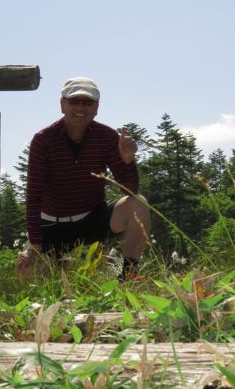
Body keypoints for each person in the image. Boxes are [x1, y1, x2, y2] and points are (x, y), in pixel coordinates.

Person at [17, 76, 150, 282]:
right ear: (62, 104)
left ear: (97, 107)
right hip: (52, 225)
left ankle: (129, 276)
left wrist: (127, 160)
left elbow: (129, 190)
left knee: (138, 203)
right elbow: (34, 196)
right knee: (28, 275)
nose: (81, 107)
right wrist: (35, 245)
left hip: (92, 219)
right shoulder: (43, 140)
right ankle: (58, 262)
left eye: (87, 102)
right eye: (74, 101)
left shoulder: (107, 137)